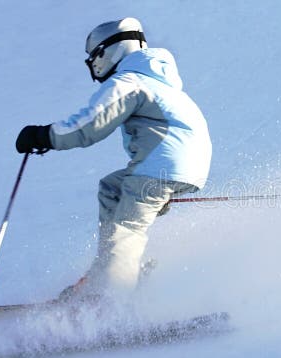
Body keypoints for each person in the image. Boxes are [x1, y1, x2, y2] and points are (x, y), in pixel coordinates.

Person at [15, 17, 212, 300]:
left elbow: (90, 125)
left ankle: (112, 303)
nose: (95, 65)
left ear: (111, 50)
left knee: (126, 228)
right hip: (181, 167)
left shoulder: (129, 81)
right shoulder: (160, 81)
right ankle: (110, 274)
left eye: (95, 57)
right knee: (112, 188)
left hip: (158, 167)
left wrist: (45, 136)